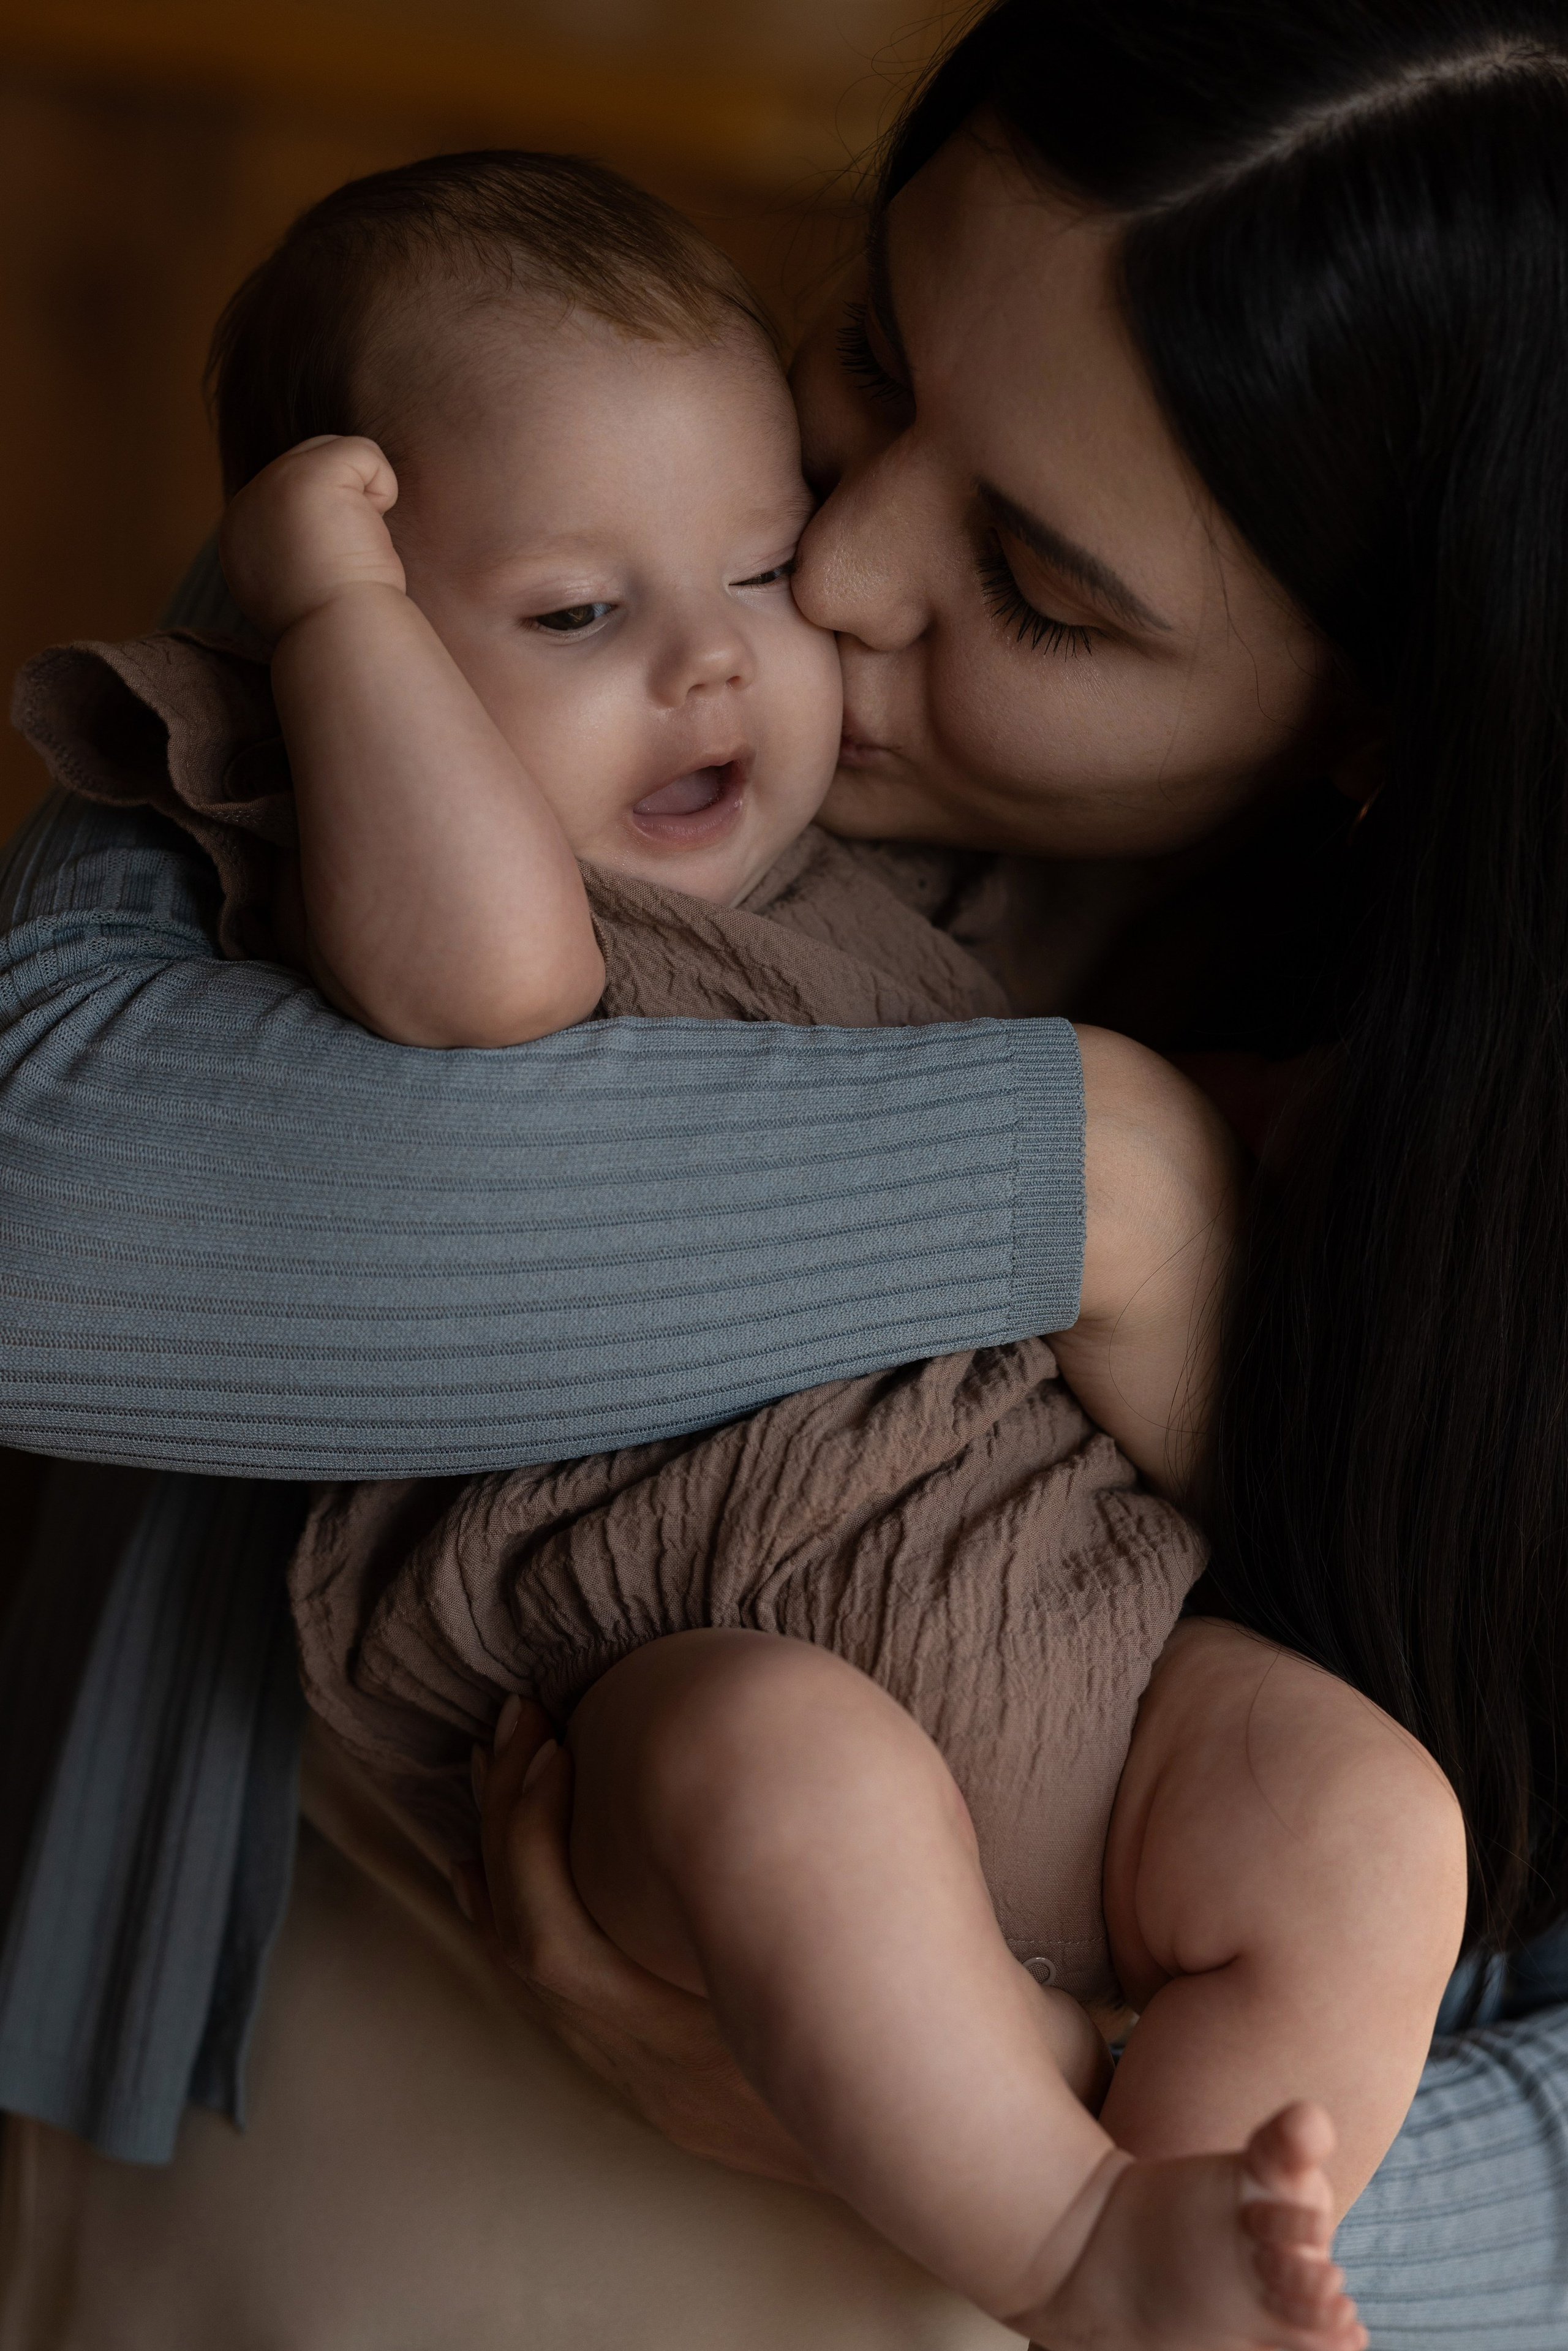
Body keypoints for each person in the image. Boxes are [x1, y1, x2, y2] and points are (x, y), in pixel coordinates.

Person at [4, 0, 1568, 2339]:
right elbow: (55, 1213)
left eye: (1037, 583)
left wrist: (1021, 2111)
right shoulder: (533, 514)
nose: (824, 574)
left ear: (1385, 724)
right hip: (305, 2139)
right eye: (877, 361)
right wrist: (1083, 1173)